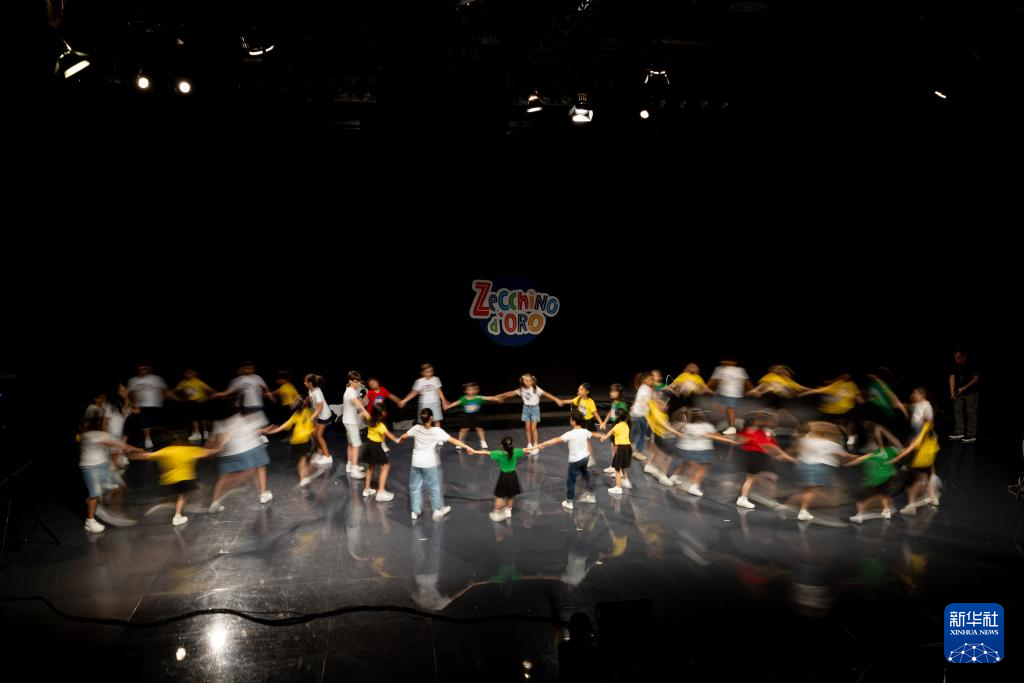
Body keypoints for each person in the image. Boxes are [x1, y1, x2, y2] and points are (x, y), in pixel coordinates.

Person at [948, 350, 980, 443]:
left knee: (971, 412)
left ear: (964, 357)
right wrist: (952, 393)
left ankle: (971, 434)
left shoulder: (971, 364)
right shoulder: (954, 365)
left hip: (971, 391)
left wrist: (964, 388)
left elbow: (976, 378)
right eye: (955, 358)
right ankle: (959, 432)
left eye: (958, 357)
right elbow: (952, 377)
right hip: (959, 392)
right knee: (957, 410)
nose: (956, 359)